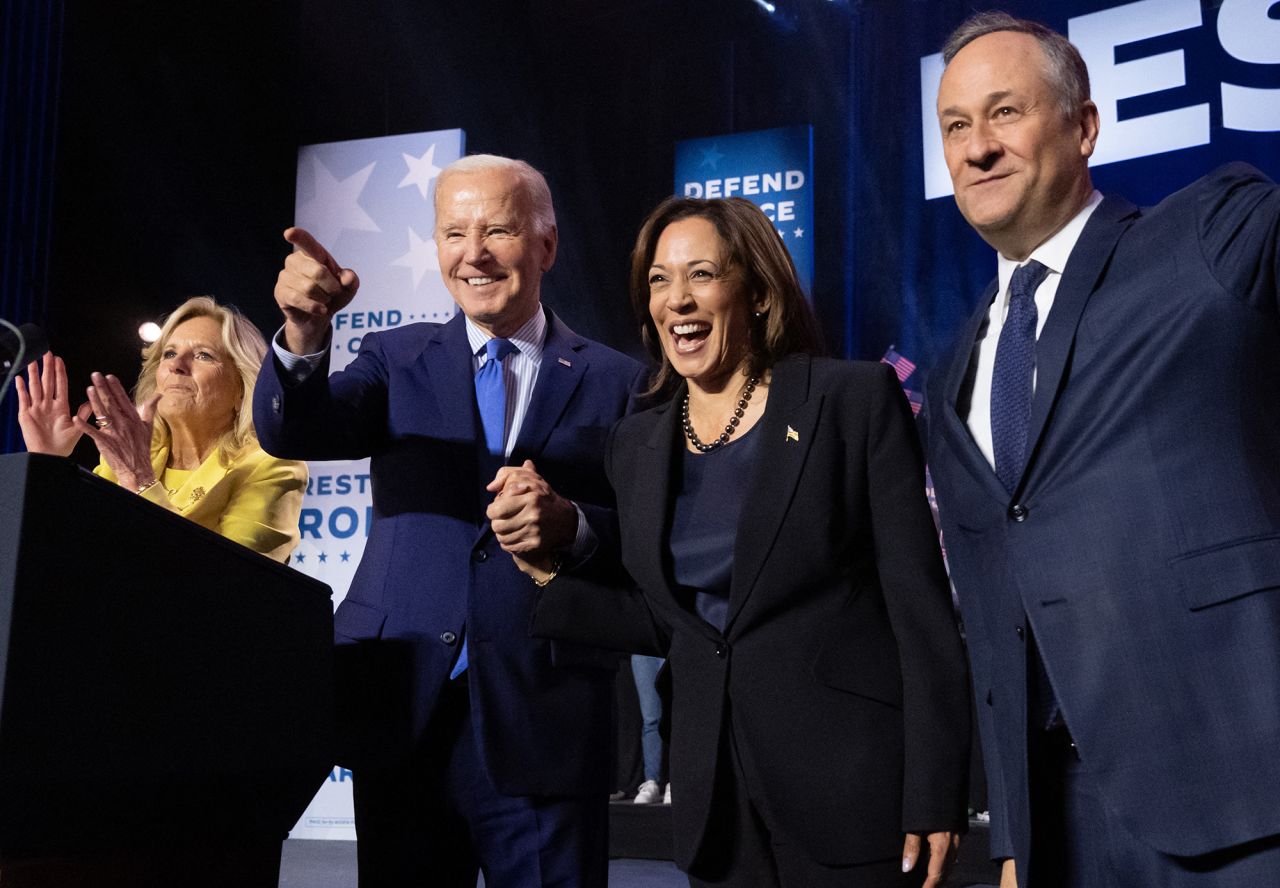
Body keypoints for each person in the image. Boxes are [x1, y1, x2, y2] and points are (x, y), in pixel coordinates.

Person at [519, 196, 970, 887]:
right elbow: (674, 622)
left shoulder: (850, 400)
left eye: (701, 274)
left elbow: (918, 607)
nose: (677, 300)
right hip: (718, 808)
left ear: (757, 292)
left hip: (852, 794)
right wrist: (548, 571)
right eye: (659, 280)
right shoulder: (637, 442)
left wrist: (937, 788)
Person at [924, 11, 1280, 888]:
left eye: (1004, 113)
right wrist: (1012, 834)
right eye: (956, 126)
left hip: (1241, 796)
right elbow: (994, 609)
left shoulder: (1210, 237)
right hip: (1060, 826)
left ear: (1083, 126)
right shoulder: (951, 373)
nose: (976, 149)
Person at [253, 154, 644, 888]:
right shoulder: (393, 358)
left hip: (545, 718)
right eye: (453, 232)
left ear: (546, 244)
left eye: (497, 229)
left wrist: (574, 527)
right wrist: (304, 333)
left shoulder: (616, 382)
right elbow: (296, 432)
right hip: (404, 715)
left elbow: (648, 543)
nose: (474, 253)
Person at [15, 296, 305, 561]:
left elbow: (234, 582)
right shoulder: (137, 453)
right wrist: (47, 464)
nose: (176, 365)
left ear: (242, 388)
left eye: (203, 355)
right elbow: (69, 549)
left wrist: (140, 480)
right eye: (168, 354)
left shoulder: (272, 464)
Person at [630, 653, 669, 804]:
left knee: (676, 717)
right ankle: (651, 781)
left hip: (672, 644)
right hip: (644, 650)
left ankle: (675, 781)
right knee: (651, 720)